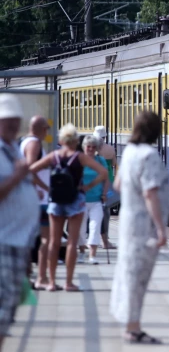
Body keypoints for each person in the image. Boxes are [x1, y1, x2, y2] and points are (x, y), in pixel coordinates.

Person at [110, 111, 169, 344]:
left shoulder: (129, 152)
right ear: (156, 131)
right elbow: (150, 193)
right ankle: (132, 328)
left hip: (128, 222)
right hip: (143, 225)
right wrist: (161, 229)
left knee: (128, 273)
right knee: (137, 277)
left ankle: (130, 324)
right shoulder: (148, 155)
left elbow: (117, 184)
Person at [29, 124, 107, 292]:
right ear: (75, 141)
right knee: (72, 242)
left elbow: (31, 170)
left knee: (53, 242)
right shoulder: (80, 157)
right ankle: (68, 283)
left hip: (55, 200)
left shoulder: (53, 156)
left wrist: (46, 187)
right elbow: (103, 172)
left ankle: (50, 282)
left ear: (61, 140)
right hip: (75, 200)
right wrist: (88, 186)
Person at [0, 94, 39, 352]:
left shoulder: (11, 149)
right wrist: (16, 178)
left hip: (17, 241)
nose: (13, 126)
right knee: (2, 307)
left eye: (15, 122)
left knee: (10, 307)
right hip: (3, 241)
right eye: (8, 122)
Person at [19, 116, 51, 290]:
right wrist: (43, 187)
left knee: (27, 239)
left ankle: (26, 276)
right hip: (39, 200)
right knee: (47, 240)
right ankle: (42, 277)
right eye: (46, 128)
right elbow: (30, 168)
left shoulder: (24, 142)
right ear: (41, 128)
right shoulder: (34, 144)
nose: (47, 132)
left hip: (31, 199)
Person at [77, 135, 108, 265]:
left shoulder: (100, 161)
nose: (90, 149)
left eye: (93, 147)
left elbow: (106, 179)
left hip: (96, 200)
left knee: (95, 227)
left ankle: (92, 255)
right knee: (80, 229)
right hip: (81, 199)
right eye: (88, 146)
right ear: (84, 147)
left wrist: (105, 194)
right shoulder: (78, 160)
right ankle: (82, 253)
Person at [93, 126, 117, 249]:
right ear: (105, 137)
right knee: (105, 212)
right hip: (108, 182)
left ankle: (91, 239)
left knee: (92, 211)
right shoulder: (111, 149)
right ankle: (105, 241)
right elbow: (113, 164)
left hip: (95, 181)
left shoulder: (93, 150)